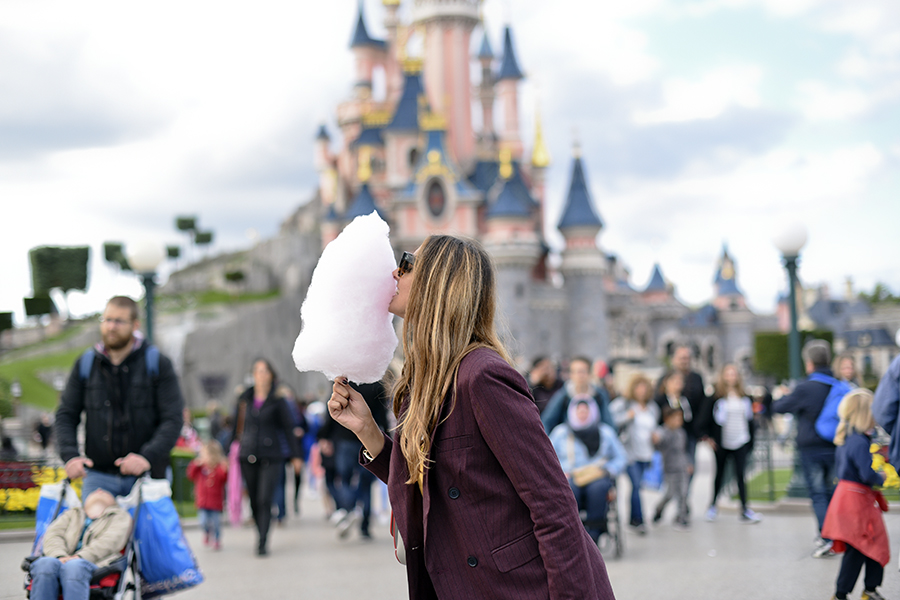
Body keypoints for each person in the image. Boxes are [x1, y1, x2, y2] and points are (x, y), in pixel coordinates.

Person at [327, 236, 615, 600]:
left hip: (522, 588)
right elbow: (430, 485)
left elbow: (554, 505)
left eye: (407, 263)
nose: (394, 272)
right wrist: (368, 430)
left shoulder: (483, 376)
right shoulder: (420, 382)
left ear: (440, 282)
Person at [55, 296, 184, 499]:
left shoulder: (157, 363)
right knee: (97, 529)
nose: (111, 327)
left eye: (119, 321)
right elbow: (66, 415)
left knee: (148, 531)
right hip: (98, 475)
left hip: (148, 475)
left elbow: (173, 418)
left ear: (135, 325)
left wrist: (146, 457)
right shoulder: (86, 364)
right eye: (107, 320)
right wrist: (70, 456)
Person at [772, 339, 839, 558]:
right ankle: (838, 536)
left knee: (818, 494)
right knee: (832, 493)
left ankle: (826, 537)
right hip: (835, 446)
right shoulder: (837, 386)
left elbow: (780, 407)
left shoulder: (805, 387)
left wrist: (784, 393)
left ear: (809, 363)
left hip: (811, 447)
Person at [822, 389, 889, 600]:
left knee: (863, 546)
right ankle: (853, 592)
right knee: (864, 545)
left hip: (848, 497)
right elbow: (866, 474)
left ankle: (856, 590)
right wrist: (882, 476)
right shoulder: (859, 442)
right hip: (856, 500)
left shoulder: (849, 438)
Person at [231, 359, 302, 556]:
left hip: (272, 455)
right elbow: (236, 427)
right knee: (254, 499)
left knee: (264, 498)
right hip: (247, 454)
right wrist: (227, 452)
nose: (261, 375)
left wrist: (296, 456)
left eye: (265, 371)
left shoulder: (279, 401)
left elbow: (290, 429)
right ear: (252, 375)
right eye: (258, 371)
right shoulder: (244, 399)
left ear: (271, 375)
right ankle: (259, 528)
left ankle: (262, 540)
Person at [30, 489, 132, 600]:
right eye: (94, 491)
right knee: (44, 563)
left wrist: (79, 557)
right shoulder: (71, 514)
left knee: (74, 566)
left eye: (105, 492)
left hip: (96, 564)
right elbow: (53, 535)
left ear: (113, 503)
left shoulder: (120, 517)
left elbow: (110, 542)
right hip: (59, 559)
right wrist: (59, 556)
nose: (99, 490)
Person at [549, 398, 627, 544]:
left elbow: (621, 457)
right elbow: (547, 457)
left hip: (597, 475)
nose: (583, 414)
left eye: (586, 411)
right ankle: (572, 532)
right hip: (570, 476)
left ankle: (595, 533)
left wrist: (608, 470)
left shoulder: (605, 432)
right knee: (569, 490)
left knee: (598, 489)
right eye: (580, 411)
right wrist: (559, 473)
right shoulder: (561, 433)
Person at [319, 381, 389, 539]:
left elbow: (331, 412)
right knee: (366, 483)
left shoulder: (342, 382)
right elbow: (383, 415)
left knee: (344, 479)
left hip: (345, 440)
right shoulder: (376, 384)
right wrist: (388, 438)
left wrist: (324, 436)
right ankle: (364, 525)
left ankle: (348, 510)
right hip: (368, 438)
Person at [702, 364, 761, 524]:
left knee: (740, 475)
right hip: (722, 442)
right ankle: (713, 505)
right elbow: (704, 419)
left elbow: (750, 420)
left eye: (733, 374)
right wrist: (708, 438)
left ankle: (744, 508)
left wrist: (750, 442)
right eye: (728, 374)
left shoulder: (745, 397)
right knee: (719, 474)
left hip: (741, 440)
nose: (731, 377)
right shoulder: (716, 397)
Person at [610, 373, 659, 533]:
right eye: (639, 387)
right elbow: (610, 419)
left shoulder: (652, 408)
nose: (642, 391)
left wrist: (657, 435)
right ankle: (639, 520)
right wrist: (627, 416)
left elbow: (657, 427)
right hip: (629, 452)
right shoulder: (624, 404)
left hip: (646, 452)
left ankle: (633, 518)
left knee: (638, 487)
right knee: (636, 485)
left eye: (645, 387)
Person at [542, 356, 615, 434]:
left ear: (590, 373)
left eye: (582, 371)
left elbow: (609, 423)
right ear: (571, 374)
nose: (579, 376)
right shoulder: (563, 395)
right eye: (575, 372)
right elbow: (547, 421)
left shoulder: (599, 395)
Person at [652, 406, 692, 530]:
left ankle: (681, 517)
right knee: (669, 493)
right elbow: (658, 444)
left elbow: (684, 450)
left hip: (682, 467)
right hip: (669, 468)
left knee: (683, 492)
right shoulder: (663, 432)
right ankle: (659, 510)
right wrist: (655, 440)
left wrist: (688, 463)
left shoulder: (681, 433)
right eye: (675, 418)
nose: (678, 421)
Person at [187, 439, 229, 551]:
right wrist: (195, 465)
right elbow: (190, 475)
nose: (202, 457)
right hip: (202, 501)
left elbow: (224, 478)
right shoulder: (200, 469)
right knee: (203, 521)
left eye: (204, 455)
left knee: (216, 523)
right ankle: (207, 533)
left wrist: (224, 469)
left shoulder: (218, 469)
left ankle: (217, 539)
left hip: (215, 503)